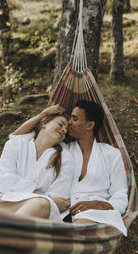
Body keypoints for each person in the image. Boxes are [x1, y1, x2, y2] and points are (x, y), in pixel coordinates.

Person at [12, 100, 128, 235]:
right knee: (26, 222)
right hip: (62, 212)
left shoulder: (112, 155)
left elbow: (120, 194)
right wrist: (42, 115)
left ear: (89, 125)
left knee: (72, 232)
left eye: (74, 118)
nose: (69, 122)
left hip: (96, 215)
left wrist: (99, 205)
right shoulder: (62, 150)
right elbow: (16, 138)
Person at [0, 113, 74, 221]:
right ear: (45, 123)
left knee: (41, 204)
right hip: (2, 203)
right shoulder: (15, 144)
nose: (64, 130)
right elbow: (5, 179)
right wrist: (39, 195)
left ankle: (3, 235)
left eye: (66, 130)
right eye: (61, 124)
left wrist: (15, 192)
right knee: (40, 202)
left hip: (40, 213)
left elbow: (59, 198)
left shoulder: (65, 158)